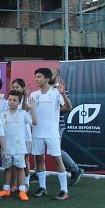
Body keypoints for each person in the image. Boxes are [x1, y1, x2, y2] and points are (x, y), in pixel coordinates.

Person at [29, 67, 72, 200]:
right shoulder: (33, 94)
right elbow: (27, 109)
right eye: (35, 76)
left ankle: (64, 191)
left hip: (52, 133)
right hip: (37, 132)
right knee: (39, 159)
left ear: (47, 79)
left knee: (57, 159)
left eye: (39, 77)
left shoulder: (55, 93)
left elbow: (68, 108)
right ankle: (42, 187)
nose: (36, 79)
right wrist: (25, 96)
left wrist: (63, 94)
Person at [0, 89, 37, 201]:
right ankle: (6, 189)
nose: (11, 102)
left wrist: (32, 108)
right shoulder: (2, 114)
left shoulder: (23, 114)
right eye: (10, 99)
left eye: (14, 100)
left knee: (20, 169)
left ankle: (22, 191)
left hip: (19, 148)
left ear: (19, 102)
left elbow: (35, 122)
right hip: (6, 148)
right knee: (7, 169)